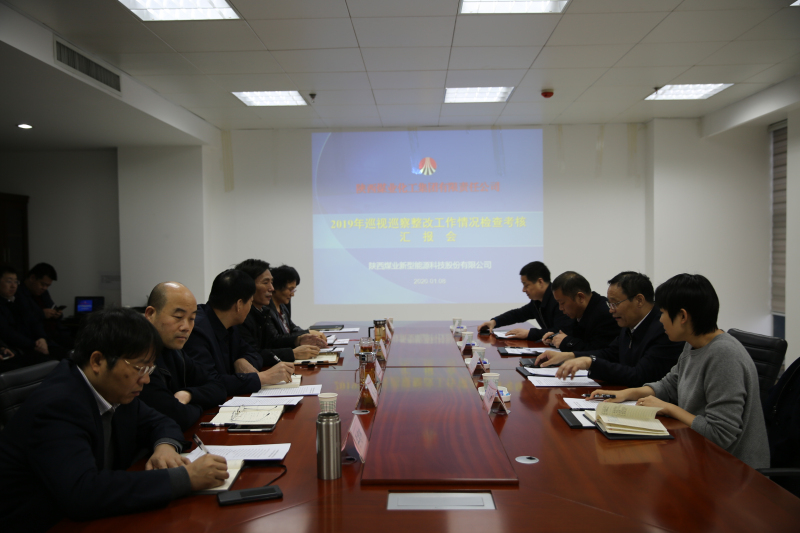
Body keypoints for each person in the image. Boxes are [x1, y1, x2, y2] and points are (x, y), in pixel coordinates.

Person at [0, 307, 229, 531]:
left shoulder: (114, 390)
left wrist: (165, 447)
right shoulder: (58, 406)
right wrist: (185, 478)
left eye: (150, 369)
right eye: (140, 368)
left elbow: (161, 422)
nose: (146, 380)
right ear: (97, 361)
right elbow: (83, 492)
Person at [588, 274, 769, 470]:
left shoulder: (724, 355)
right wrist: (627, 394)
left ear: (683, 316)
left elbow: (720, 434)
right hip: (697, 451)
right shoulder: (692, 344)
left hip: (732, 470)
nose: (660, 320)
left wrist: (669, 408)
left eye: (663, 313)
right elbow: (670, 384)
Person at [537, 272, 682, 386]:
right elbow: (610, 353)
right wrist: (569, 356)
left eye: (614, 303)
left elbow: (640, 375)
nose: (611, 310)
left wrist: (591, 363)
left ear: (639, 300)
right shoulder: (629, 323)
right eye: (610, 304)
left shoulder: (664, 329)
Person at [183, 269, 294, 396]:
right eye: (250, 302)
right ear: (239, 304)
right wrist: (262, 378)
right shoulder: (197, 330)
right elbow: (210, 383)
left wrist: (242, 359)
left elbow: (253, 353)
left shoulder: (230, 324)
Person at [141, 282, 227, 430]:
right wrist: (199, 406)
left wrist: (189, 394)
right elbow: (178, 416)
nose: (186, 327)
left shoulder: (175, 352)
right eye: (178, 317)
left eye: (192, 318)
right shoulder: (140, 358)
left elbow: (219, 387)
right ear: (150, 314)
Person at [235, 259, 324, 365]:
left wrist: (298, 340)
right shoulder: (241, 316)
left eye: (271, 282)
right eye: (266, 282)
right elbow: (253, 354)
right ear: (248, 286)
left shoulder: (263, 311)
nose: (272, 288)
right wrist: (292, 353)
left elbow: (272, 342)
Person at [478, 261, 571, 340]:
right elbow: (518, 314)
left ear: (540, 282)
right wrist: (494, 322)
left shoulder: (558, 300)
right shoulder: (537, 302)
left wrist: (529, 333)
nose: (523, 290)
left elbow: (561, 331)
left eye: (526, 285)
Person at [539, 271, 620, 352]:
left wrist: (566, 342)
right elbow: (570, 333)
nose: (560, 308)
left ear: (580, 297)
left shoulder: (605, 314)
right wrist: (555, 339)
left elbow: (598, 352)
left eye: (562, 303)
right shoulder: (579, 312)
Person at [0, 264, 62, 365]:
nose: (13, 285)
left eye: (16, 282)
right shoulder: (9, 301)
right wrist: (34, 345)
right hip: (18, 347)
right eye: (9, 281)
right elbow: (7, 332)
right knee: (49, 362)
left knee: (64, 355)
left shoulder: (18, 300)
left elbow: (33, 320)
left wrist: (41, 338)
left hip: (34, 342)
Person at [17, 262, 74, 349]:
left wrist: (57, 314)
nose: (45, 288)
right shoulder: (19, 293)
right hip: (39, 337)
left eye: (48, 286)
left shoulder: (43, 293)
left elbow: (52, 307)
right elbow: (24, 317)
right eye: (43, 284)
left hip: (56, 332)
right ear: (32, 278)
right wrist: (42, 314)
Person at [268, 265, 324, 344]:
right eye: (290, 289)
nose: (292, 294)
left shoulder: (283, 306)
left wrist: (309, 333)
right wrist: (307, 333)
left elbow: (292, 328)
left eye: (294, 290)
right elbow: (276, 339)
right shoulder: (266, 310)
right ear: (276, 287)